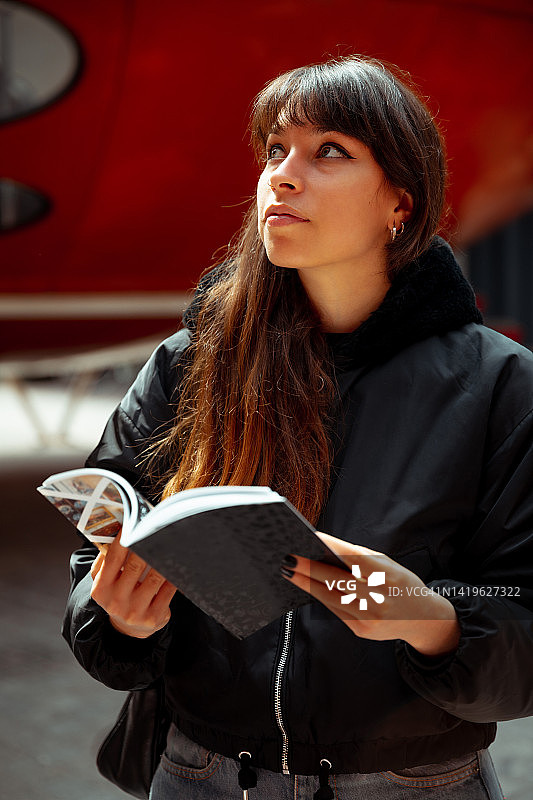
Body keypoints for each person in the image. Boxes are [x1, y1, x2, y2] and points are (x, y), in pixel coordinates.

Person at [62, 56, 533, 799]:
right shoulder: (191, 363)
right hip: (201, 773)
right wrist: (116, 617)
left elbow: (524, 630)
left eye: (329, 153)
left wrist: (429, 618)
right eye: (275, 150)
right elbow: (93, 565)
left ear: (399, 204)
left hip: (413, 782)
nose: (281, 176)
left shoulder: (498, 384)